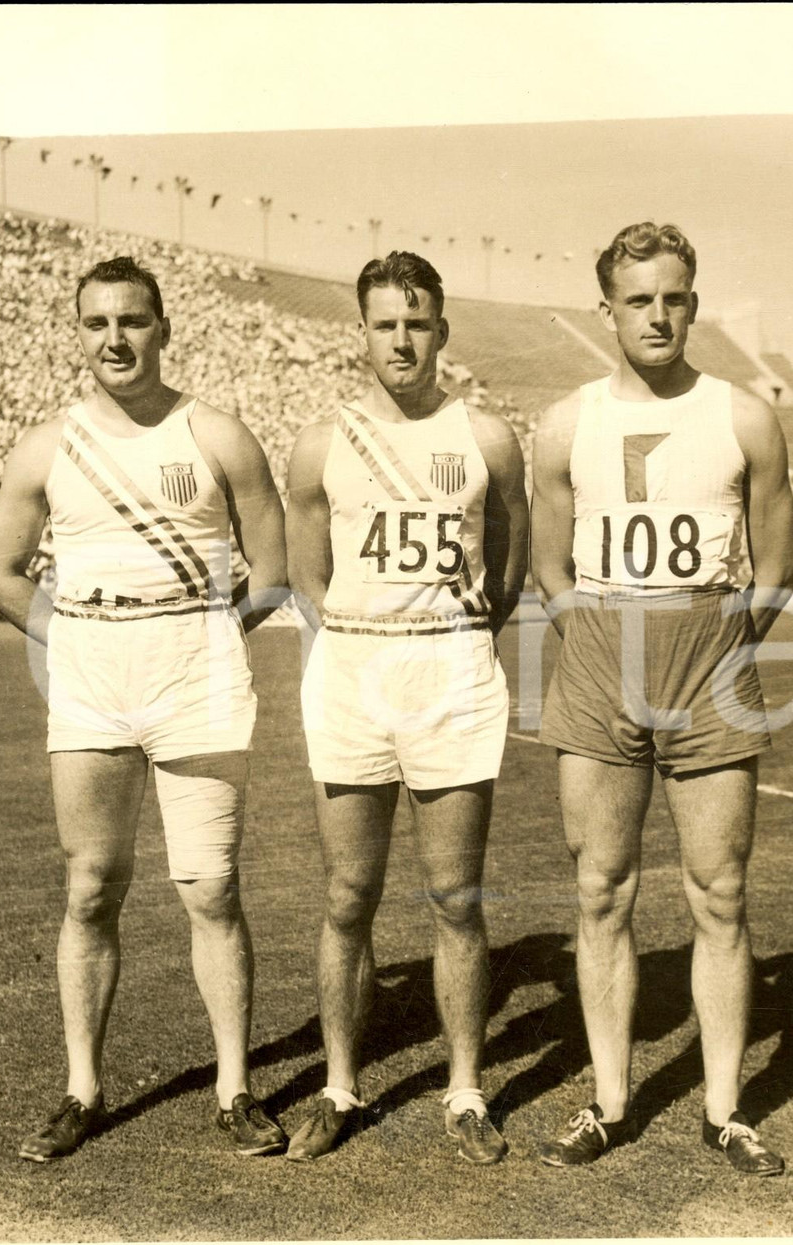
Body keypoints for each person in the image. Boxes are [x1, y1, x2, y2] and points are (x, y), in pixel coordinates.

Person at [0, 256, 289, 1161]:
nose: (115, 339)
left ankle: (234, 1089)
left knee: (212, 888)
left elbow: (270, 572)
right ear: (79, 332)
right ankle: (82, 1088)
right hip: (91, 674)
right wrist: (66, 636)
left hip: (197, 670)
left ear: (162, 327)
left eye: (133, 321)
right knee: (90, 888)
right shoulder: (47, 447)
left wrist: (206, 635)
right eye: (96, 323)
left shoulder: (218, 435)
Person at [530, 222, 793, 1176]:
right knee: (601, 888)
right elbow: (548, 563)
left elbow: (777, 565)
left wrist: (717, 647)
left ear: (694, 301)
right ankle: (607, 1100)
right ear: (606, 309)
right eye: (638, 300)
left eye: (674, 297)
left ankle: (724, 1110)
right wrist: (603, 640)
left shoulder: (743, 415)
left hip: (711, 655)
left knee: (719, 890)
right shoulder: (566, 423)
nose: (658, 315)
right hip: (603, 652)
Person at [284, 251, 528, 1164]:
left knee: (455, 895)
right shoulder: (323, 440)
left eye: (417, 322)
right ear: (363, 332)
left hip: (453, 676)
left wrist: (453, 633)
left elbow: (505, 565)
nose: (402, 339)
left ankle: (465, 1091)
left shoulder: (487, 437)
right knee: (349, 894)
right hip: (352, 675)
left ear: (442, 331)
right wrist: (365, 635)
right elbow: (311, 578)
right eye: (385, 322)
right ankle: (341, 1085)